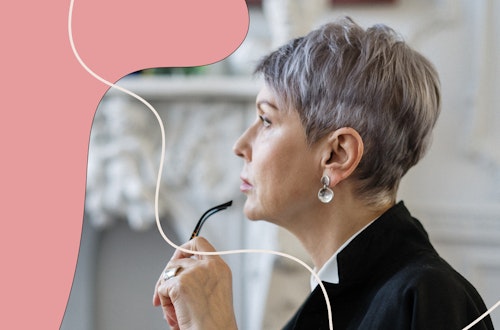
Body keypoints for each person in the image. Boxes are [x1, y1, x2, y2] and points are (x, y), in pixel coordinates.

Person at [153, 17, 494, 329]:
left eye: (266, 120)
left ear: (337, 154)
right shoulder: (329, 302)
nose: (240, 145)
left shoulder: (428, 299)